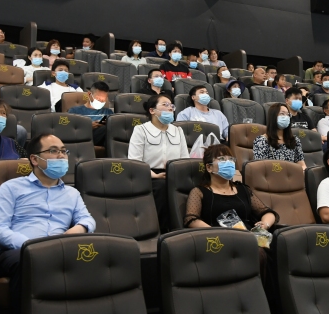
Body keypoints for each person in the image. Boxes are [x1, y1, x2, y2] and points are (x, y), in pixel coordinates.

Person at [0, 133, 96, 313]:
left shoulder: (72, 193)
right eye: (53, 151)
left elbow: (87, 219)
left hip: (59, 248)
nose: (61, 156)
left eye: (64, 151)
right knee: (27, 260)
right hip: (17, 251)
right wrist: (31, 246)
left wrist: (79, 229)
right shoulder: (11, 188)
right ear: (34, 159)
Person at [184, 144, 278, 282]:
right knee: (257, 253)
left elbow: (267, 212)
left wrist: (265, 224)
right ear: (209, 167)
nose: (228, 163)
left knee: (280, 247)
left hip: (249, 236)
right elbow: (191, 219)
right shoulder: (199, 192)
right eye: (222, 159)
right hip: (219, 239)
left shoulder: (243, 190)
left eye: (231, 159)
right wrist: (216, 232)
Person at [128, 94, 189, 231]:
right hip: (149, 174)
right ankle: (164, 230)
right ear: (152, 110)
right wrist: (154, 175)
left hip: (174, 174)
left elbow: (185, 158)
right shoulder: (141, 130)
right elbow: (134, 161)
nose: (170, 108)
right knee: (161, 187)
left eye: (171, 105)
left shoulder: (178, 130)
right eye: (165, 105)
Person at [252, 103, 306, 170]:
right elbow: (260, 168)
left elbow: (302, 165)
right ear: (273, 117)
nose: (286, 117)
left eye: (288, 115)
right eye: (282, 114)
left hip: (292, 175)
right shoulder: (261, 141)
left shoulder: (294, 140)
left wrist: (303, 171)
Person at [67, 81, 113, 147]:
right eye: (98, 99)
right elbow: (70, 131)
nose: (100, 102)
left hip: (104, 138)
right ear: (89, 94)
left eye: (103, 100)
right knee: (106, 129)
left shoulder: (108, 112)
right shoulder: (74, 111)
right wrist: (88, 126)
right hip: (84, 137)